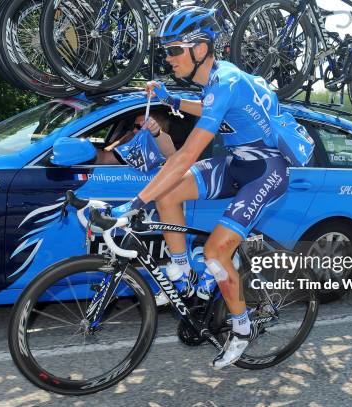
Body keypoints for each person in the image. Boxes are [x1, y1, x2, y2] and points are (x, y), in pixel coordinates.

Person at [110, 6, 293, 369]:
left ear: (202, 48)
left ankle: (241, 330)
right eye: (165, 50)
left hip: (265, 171)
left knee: (214, 252)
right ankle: (183, 274)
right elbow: (213, 108)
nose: (168, 58)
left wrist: (135, 204)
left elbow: (186, 156)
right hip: (238, 163)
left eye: (175, 49)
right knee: (169, 193)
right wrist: (173, 100)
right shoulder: (218, 80)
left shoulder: (226, 81)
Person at [95, 113, 176, 165]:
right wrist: (126, 137)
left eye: (138, 127)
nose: (134, 130)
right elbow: (108, 149)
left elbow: (104, 158)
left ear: (155, 127)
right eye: (134, 126)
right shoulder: (138, 140)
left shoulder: (145, 152)